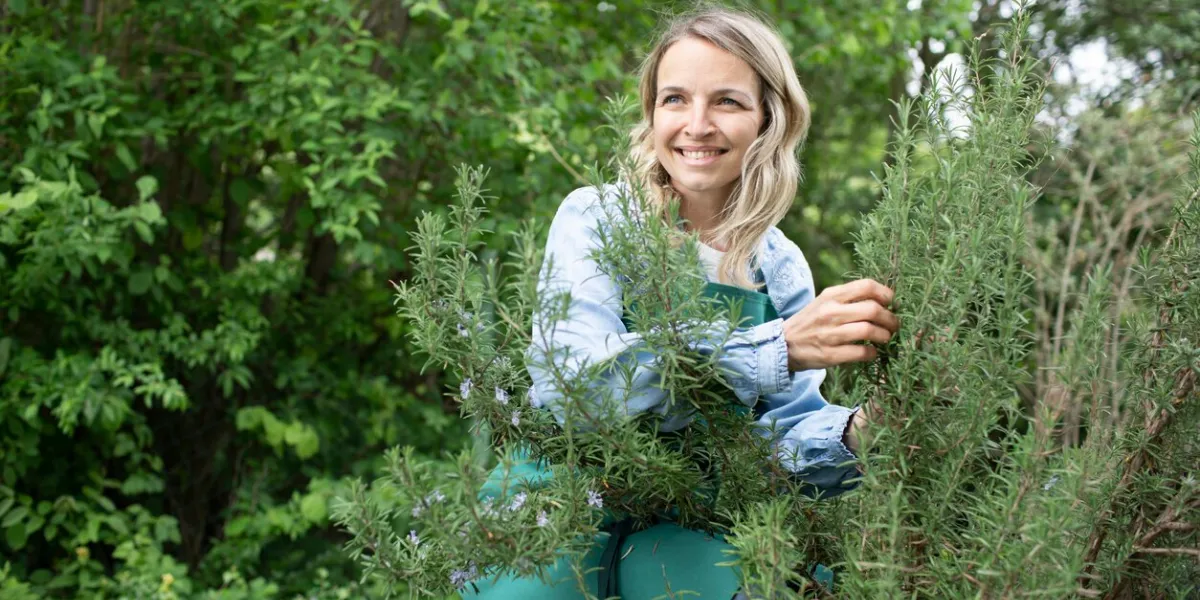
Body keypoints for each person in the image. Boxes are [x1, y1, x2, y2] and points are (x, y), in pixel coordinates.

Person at [463, 6, 898, 599]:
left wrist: (855, 435)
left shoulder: (779, 264)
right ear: (651, 112)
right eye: (674, 99)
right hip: (563, 495)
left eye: (727, 101)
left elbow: (781, 436)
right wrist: (776, 346)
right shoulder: (596, 218)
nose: (697, 125)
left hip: (693, 510)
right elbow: (575, 389)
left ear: (770, 117)